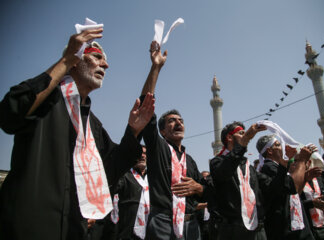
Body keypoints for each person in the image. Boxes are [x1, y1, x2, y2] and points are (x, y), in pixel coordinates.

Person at [0, 27, 155, 240]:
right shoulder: (47, 100)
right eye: (97, 57)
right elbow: (11, 112)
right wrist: (65, 61)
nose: (106, 64)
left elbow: (111, 170)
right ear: (76, 61)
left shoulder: (94, 126)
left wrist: (134, 130)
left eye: (106, 60)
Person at [140, 41, 207, 239]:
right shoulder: (157, 147)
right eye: (171, 121)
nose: (178, 123)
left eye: (181, 120)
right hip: (163, 223)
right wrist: (156, 67)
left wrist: (199, 188)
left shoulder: (190, 160)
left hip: (191, 224)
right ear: (161, 130)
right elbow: (145, 107)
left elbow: (206, 190)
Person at [256, 134, 321, 240]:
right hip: (287, 230)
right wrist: (301, 160)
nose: (282, 147)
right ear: (270, 151)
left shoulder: (279, 168)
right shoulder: (269, 168)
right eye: (278, 145)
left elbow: (293, 195)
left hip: (296, 225)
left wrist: (304, 179)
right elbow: (293, 187)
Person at [114, 145, 149, 240]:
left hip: (151, 231)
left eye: (145, 153)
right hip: (128, 233)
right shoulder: (124, 175)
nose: (142, 156)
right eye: (139, 153)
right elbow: (109, 191)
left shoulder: (153, 178)